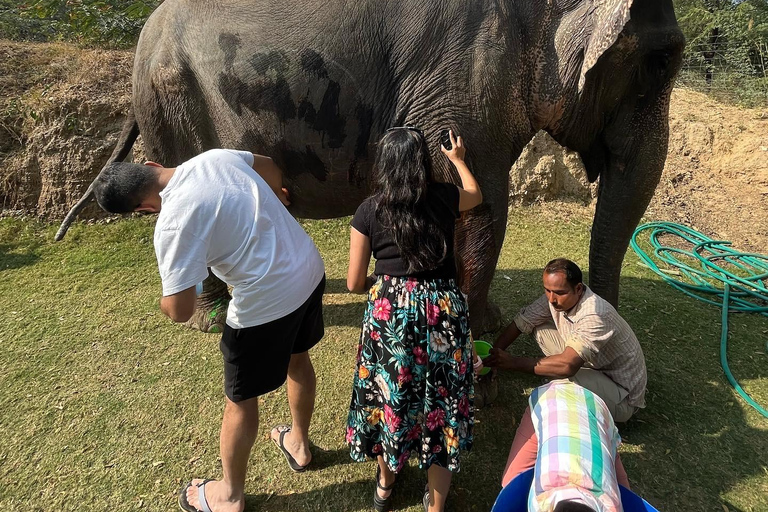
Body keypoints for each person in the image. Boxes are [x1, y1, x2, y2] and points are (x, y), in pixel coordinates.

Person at [92, 149, 326, 512]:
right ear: (151, 166)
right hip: (308, 268)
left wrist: (168, 300)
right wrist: (274, 196)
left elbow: (180, 308)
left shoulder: (170, 224)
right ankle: (298, 442)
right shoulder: (213, 157)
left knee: (240, 401)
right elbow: (271, 168)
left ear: (142, 210)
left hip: (266, 300)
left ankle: (230, 495)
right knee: (298, 359)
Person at [345, 127, 483, 512]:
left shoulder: (369, 210)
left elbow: (355, 282)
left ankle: (385, 488)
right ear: (423, 162)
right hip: (443, 310)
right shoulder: (444, 197)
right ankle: (436, 505)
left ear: (383, 166)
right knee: (442, 401)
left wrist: (387, 285)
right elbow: (477, 195)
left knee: (392, 395)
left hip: (392, 313)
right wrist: (458, 160)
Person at [485, 259, 646, 423]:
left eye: (559, 293)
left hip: (621, 396)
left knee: (563, 376)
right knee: (540, 329)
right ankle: (567, 373)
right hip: (592, 366)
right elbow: (522, 322)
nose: (552, 299)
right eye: (547, 290)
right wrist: (495, 356)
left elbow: (567, 367)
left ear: (578, 288)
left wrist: (512, 362)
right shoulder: (555, 297)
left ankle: (575, 386)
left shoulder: (596, 315)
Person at [501, 380, 629, 512]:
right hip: (551, 401)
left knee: (621, 488)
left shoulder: (613, 506)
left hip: (593, 411)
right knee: (511, 483)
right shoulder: (540, 501)